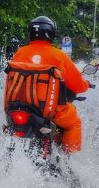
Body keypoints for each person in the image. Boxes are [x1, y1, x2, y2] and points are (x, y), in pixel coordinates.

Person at [5, 16, 90, 153]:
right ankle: (68, 159)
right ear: (51, 34)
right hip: (49, 111)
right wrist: (86, 84)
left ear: (30, 33)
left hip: (18, 108)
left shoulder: (20, 53)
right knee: (74, 124)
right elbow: (78, 86)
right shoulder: (59, 56)